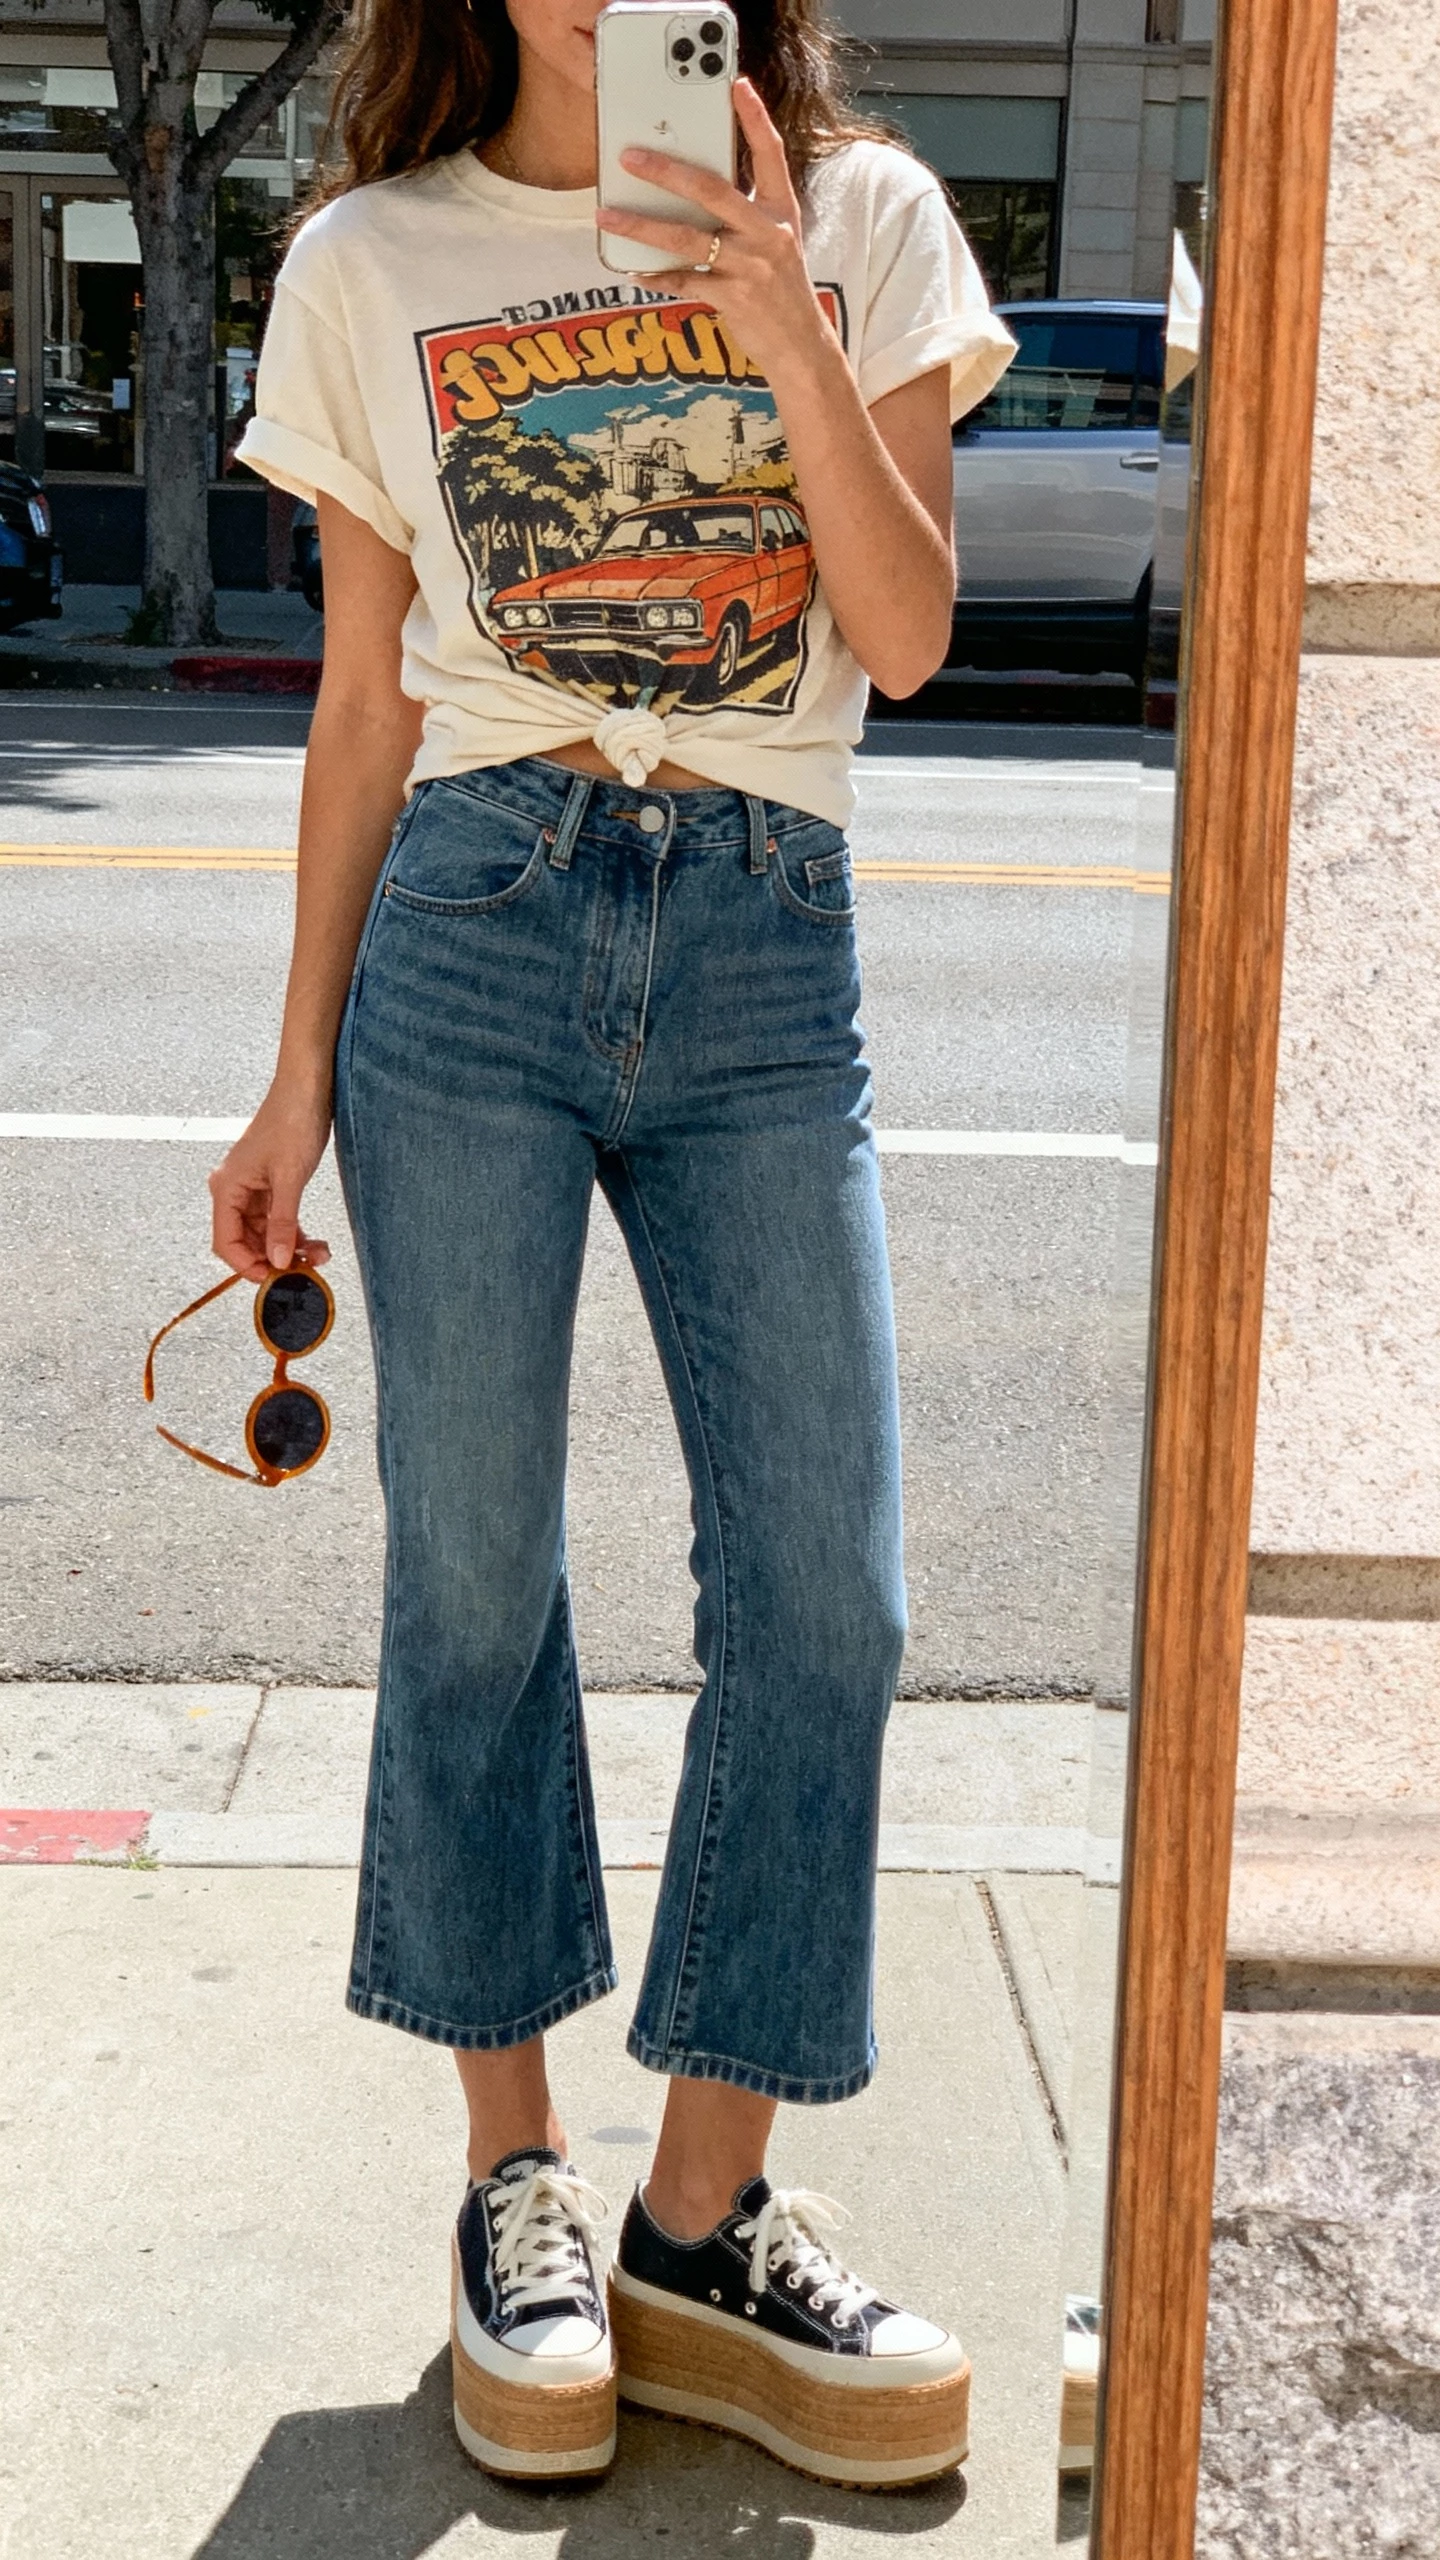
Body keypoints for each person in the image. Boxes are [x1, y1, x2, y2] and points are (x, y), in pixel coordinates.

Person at [216, 0, 1014, 2493]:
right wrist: (293, 1068)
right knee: (472, 1570)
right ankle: (514, 2186)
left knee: (833, 1590)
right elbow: (363, 699)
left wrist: (775, 309)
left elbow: (900, 634)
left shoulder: (864, 216)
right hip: (470, 919)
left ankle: (699, 2211)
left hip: (771, 936)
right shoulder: (366, 256)